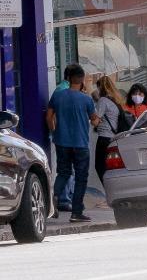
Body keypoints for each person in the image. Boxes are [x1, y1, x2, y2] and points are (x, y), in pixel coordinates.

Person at [45, 64, 99, 223]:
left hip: (61, 141)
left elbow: (49, 117)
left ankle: (53, 198)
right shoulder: (86, 99)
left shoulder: (58, 96)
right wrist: (96, 120)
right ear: (82, 80)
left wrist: (54, 131)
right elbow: (95, 121)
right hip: (81, 143)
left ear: (68, 79)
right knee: (81, 177)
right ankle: (76, 212)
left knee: (63, 172)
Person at [93, 76, 126, 185]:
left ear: (100, 87)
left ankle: (108, 191)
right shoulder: (116, 101)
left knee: (100, 166)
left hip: (104, 138)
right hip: (113, 138)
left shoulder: (103, 101)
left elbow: (95, 122)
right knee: (110, 168)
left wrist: (91, 116)